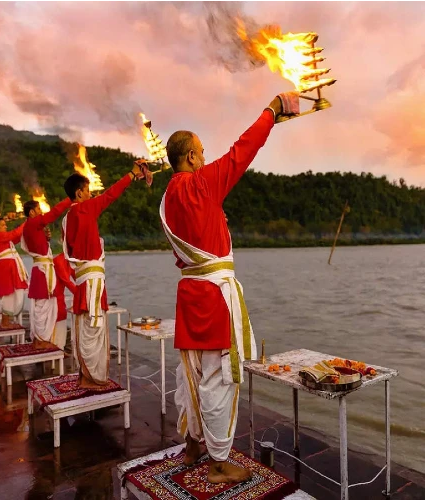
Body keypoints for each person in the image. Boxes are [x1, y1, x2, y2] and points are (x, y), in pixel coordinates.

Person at [160, 93, 299, 483]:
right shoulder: (200, 184)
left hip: (189, 295)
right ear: (189, 158)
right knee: (220, 377)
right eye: (201, 152)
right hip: (215, 297)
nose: (206, 158)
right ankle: (219, 462)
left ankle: (192, 443)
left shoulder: (168, 196)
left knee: (190, 371)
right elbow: (243, 150)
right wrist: (271, 111)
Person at [62, 163, 146, 388]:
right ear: (79, 193)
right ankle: (92, 379)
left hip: (83, 281)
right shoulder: (84, 209)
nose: (91, 194)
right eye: (88, 191)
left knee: (85, 329)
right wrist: (131, 174)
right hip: (92, 282)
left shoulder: (67, 217)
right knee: (94, 330)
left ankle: (85, 375)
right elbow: (111, 194)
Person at [21, 197, 72, 349]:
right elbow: (55, 212)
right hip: (42, 271)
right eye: (38, 210)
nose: (41, 212)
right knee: (42, 306)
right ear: (31, 212)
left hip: (41, 269)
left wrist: (45, 239)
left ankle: (40, 339)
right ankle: (39, 340)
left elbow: (39, 246)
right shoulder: (32, 223)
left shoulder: (31, 226)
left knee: (43, 305)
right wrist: (70, 199)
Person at [0, 217, 28, 326]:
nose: (6, 226)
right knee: (8, 293)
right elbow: (14, 234)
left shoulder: (1, 237)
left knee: (13, 293)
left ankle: (6, 320)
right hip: (4, 267)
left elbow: (16, 237)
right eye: (3, 225)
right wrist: (27, 222)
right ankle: (5, 322)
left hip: (7, 266)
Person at [53, 252, 76, 350]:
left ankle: (59, 349)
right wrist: (82, 296)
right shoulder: (59, 260)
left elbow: (78, 279)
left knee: (62, 317)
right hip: (52, 297)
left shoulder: (70, 260)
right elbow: (67, 281)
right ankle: (55, 349)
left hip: (59, 296)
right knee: (59, 317)